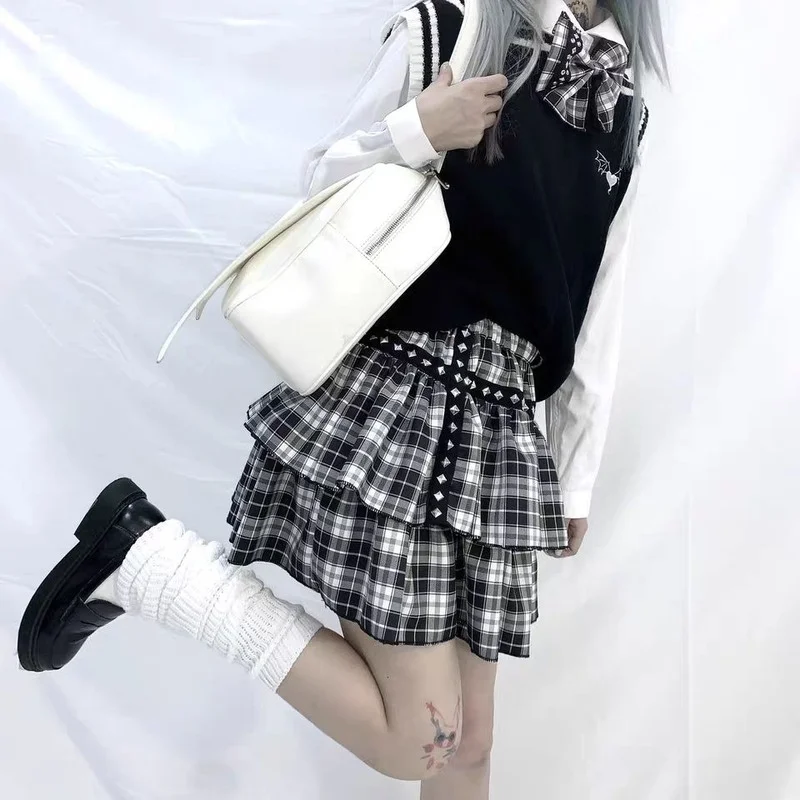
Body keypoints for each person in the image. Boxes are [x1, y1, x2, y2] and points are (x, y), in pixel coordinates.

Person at [17, 1, 667, 798]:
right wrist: (419, 131)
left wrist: (575, 473)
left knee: (471, 744)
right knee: (422, 741)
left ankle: (146, 560)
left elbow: (598, 307)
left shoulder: (622, 107)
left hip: (501, 437)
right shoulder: (452, 26)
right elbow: (321, 184)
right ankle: (151, 565)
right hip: (403, 406)